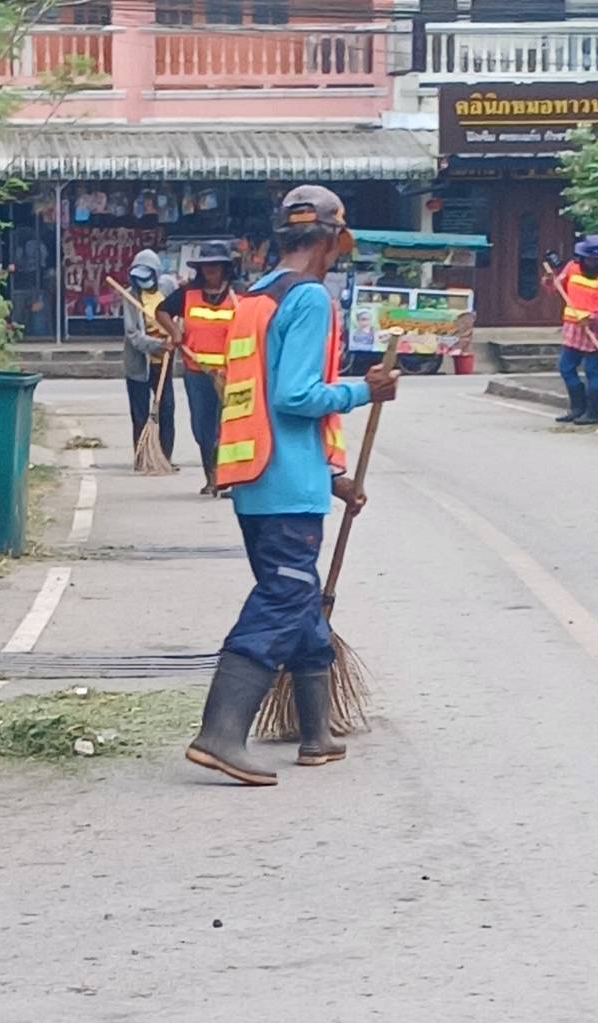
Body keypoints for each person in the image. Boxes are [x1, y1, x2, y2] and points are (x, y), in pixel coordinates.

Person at [185, 185, 398, 788]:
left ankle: (316, 734)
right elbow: (297, 397)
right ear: (329, 240)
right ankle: (221, 733)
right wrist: (366, 390)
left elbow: (268, 407)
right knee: (285, 595)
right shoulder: (308, 299)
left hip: (260, 478)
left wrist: (335, 478)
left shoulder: (255, 297)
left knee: (302, 602)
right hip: (284, 489)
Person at [156, 242, 237, 496]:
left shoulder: (240, 296)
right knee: (203, 427)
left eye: (215, 266)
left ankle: (224, 478)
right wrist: (175, 332)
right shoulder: (187, 294)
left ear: (225, 268)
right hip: (197, 372)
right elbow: (162, 311)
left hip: (230, 373)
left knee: (229, 426)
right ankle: (210, 474)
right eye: (206, 267)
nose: (210, 271)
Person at [546, 234, 598, 426]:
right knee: (566, 368)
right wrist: (550, 280)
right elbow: (556, 288)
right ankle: (576, 408)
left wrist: (592, 318)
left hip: (597, 333)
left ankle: (591, 413)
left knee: (592, 373)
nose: (592, 262)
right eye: (589, 259)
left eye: (597, 259)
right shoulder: (572, 269)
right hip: (573, 331)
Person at [120, 247, 174, 464]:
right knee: (140, 411)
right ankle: (142, 456)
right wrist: (157, 344)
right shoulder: (130, 296)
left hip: (164, 362)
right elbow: (133, 334)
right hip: (139, 364)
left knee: (167, 408)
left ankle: (164, 457)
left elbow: (177, 314)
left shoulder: (168, 288)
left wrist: (175, 335)